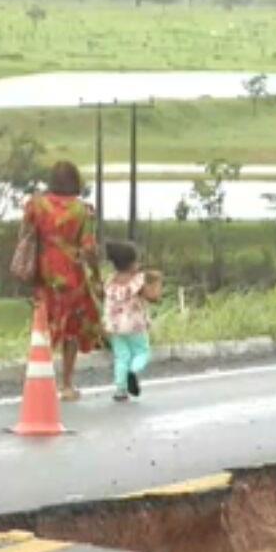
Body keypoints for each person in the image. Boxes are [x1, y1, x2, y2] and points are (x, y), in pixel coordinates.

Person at [23, 161, 103, 401]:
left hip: (43, 272)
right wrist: (97, 276)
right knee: (71, 329)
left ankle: (39, 378)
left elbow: (26, 236)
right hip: (71, 274)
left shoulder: (36, 205)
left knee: (43, 327)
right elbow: (89, 248)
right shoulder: (82, 210)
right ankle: (67, 384)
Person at [102, 241, 163, 402]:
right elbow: (152, 297)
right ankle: (132, 371)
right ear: (131, 264)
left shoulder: (109, 282)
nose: (139, 265)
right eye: (137, 261)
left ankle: (120, 390)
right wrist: (156, 287)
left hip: (114, 327)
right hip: (135, 326)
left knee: (121, 357)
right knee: (142, 352)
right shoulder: (137, 281)